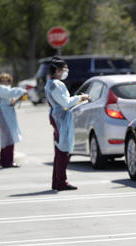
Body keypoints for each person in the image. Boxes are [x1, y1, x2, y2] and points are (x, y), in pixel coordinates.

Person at [45, 56, 89, 191]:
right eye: (64, 69)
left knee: (60, 150)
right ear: (57, 70)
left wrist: (78, 100)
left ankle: (57, 181)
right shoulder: (56, 84)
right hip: (60, 118)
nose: (66, 71)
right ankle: (61, 181)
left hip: (59, 116)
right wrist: (81, 97)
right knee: (62, 151)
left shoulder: (52, 83)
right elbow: (65, 103)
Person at [0, 73, 27, 168]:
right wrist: (22, 90)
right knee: (8, 138)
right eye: (2, 80)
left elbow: (11, 98)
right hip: (4, 115)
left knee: (8, 138)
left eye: (6, 80)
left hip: (8, 115)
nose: (4, 82)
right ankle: (7, 161)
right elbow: (10, 92)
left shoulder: (6, 90)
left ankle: (6, 160)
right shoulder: (2, 89)